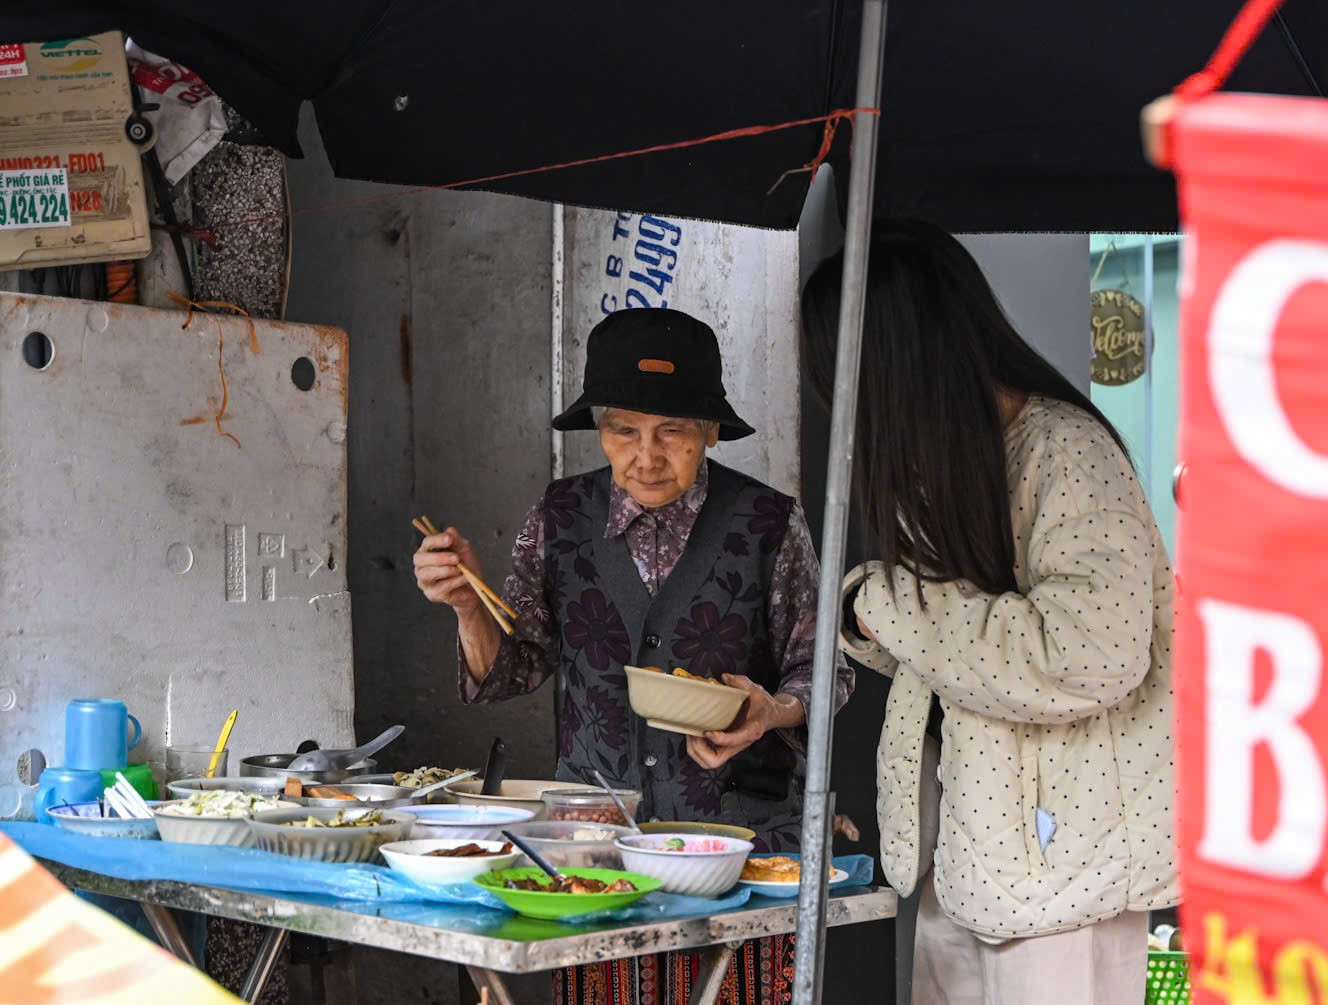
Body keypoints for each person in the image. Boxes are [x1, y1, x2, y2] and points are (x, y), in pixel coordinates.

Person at [414, 307, 851, 1005]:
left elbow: (824, 670)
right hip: (600, 849)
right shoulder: (560, 515)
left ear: (709, 431)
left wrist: (771, 710)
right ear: (600, 428)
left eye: (672, 431)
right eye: (624, 430)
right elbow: (513, 668)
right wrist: (468, 605)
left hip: (736, 846)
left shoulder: (768, 522)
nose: (645, 455)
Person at [801, 221, 1176, 1005]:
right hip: (973, 847)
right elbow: (961, 642)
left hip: (1065, 869)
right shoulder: (954, 459)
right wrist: (871, 616)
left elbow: (1090, 653)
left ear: (901, 361)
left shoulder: (1063, 451)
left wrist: (885, 602)